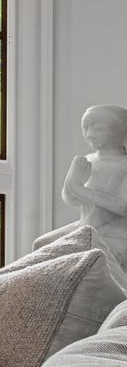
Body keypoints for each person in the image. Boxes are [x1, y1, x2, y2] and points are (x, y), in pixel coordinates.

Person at [36, 103, 127, 266]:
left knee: (82, 256)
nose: (90, 134)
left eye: (98, 128)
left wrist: (78, 188)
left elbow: (122, 207)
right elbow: (71, 199)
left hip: (115, 235)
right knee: (41, 244)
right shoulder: (89, 159)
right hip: (84, 226)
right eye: (85, 127)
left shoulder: (123, 165)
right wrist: (71, 186)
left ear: (120, 131)